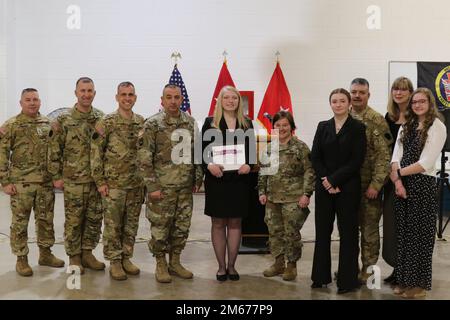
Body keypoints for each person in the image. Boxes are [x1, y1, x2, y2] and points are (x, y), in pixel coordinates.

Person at [138, 84, 203, 283]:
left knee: (181, 228)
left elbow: (197, 153)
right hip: (162, 188)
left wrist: (197, 178)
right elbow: (144, 158)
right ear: (162, 100)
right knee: (160, 228)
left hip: (184, 187)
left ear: (181, 99)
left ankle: (175, 262)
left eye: (176, 97)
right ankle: (160, 264)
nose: (173, 101)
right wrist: (152, 187)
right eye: (169, 97)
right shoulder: (152, 124)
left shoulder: (190, 122)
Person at [0, 88, 64, 276]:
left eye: (35, 99)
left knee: (46, 221)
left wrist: (56, 176)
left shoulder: (48, 124)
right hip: (21, 185)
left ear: (40, 102)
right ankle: (21, 259)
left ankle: (45, 254)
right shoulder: (11, 125)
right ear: (21, 103)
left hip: (44, 184)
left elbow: (55, 153)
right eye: (28, 99)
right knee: (20, 223)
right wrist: (4, 181)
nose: (32, 102)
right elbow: (2, 154)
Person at [390, 88, 446, 299]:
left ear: (430, 103)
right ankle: (405, 281)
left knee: (419, 237)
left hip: (422, 185)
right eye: (414, 102)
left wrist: (398, 174)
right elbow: (396, 154)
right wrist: (398, 182)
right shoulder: (407, 125)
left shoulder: (437, 126)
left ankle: (419, 285)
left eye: (422, 101)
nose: (418, 105)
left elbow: (426, 163)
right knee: (404, 235)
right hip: (402, 186)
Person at [310, 88, 366, 294]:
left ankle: (347, 280)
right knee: (322, 233)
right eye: (334, 101)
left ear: (349, 103)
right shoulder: (322, 126)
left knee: (349, 235)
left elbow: (356, 160)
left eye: (342, 101)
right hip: (324, 188)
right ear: (330, 104)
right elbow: (315, 157)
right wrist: (326, 181)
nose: (338, 104)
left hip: (348, 187)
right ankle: (320, 277)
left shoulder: (358, 127)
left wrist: (334, 180)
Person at [201, 85, 256, 281]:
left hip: (239, 180)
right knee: (218, 223)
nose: (231, 101)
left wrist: (249, 165)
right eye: (227, 98)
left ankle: (232, 266)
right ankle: (221, 266)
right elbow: (201, 152)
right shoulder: (210, 123)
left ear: (239, 101)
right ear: (220, 101)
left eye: (234, 98)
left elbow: (251, 153)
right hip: (217, 179)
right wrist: (209, 165)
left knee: (235, 222)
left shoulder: (247, 123)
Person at [90, 82, 144, 280]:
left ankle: (126, 258)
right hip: (113, 185)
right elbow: (95, 153)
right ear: (117, 97)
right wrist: (100, 182)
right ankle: (114, 261)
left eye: (130, 94)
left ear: (135, 98)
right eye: (123, 94)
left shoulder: (141, 122)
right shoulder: (107, 122)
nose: (127, 98)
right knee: (113, 226)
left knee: (131, 225)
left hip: (136, 185)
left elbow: (146, 154)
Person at [52, 77, 105, 274]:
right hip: (72, 181)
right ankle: (74, 258)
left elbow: (105, 150)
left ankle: (87, 253)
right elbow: (54, 150)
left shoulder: (101, 119)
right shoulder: (64, 120)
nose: (86, 94)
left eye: (90, 90)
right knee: (74, 221)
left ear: (94, 93)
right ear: (76, 93)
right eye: (82, 90)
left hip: (95, 181)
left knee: (93, 219)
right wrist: (56, 176)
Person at [258, 111, 315, 281]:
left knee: (291, 233)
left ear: (291, 127)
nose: (281, 128)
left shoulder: (300, 147)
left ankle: (291, 265)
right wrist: (262, 191)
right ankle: (278, 263)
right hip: (272, 198)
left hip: (293, 198)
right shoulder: (269, 148)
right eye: (278, 125)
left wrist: (306, 194)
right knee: (274, 232)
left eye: (285, 125)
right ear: (273, 127)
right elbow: (263, 172)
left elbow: (309, 171)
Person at [349, 78, 392, 282]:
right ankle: (350, 267)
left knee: (369, 231)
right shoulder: (343, 116)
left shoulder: (376, 119)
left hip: (369, 187)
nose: (357, 95)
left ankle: (369, 271)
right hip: (347, 186)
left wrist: (376, 184)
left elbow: (385, 155)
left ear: (368, 94)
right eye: (354, 91)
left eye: (361, 92)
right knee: (348, 230)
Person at [382, 76, 414, 285]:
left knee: (409, 227)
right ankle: (396, 268)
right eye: (395, 89)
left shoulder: (417, 116)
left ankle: (408, 271)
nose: (398, 93)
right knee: (392, 226)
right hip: (391, 177)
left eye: (403, 89)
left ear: (410, 93)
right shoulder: (389, 116)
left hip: (411, 176)